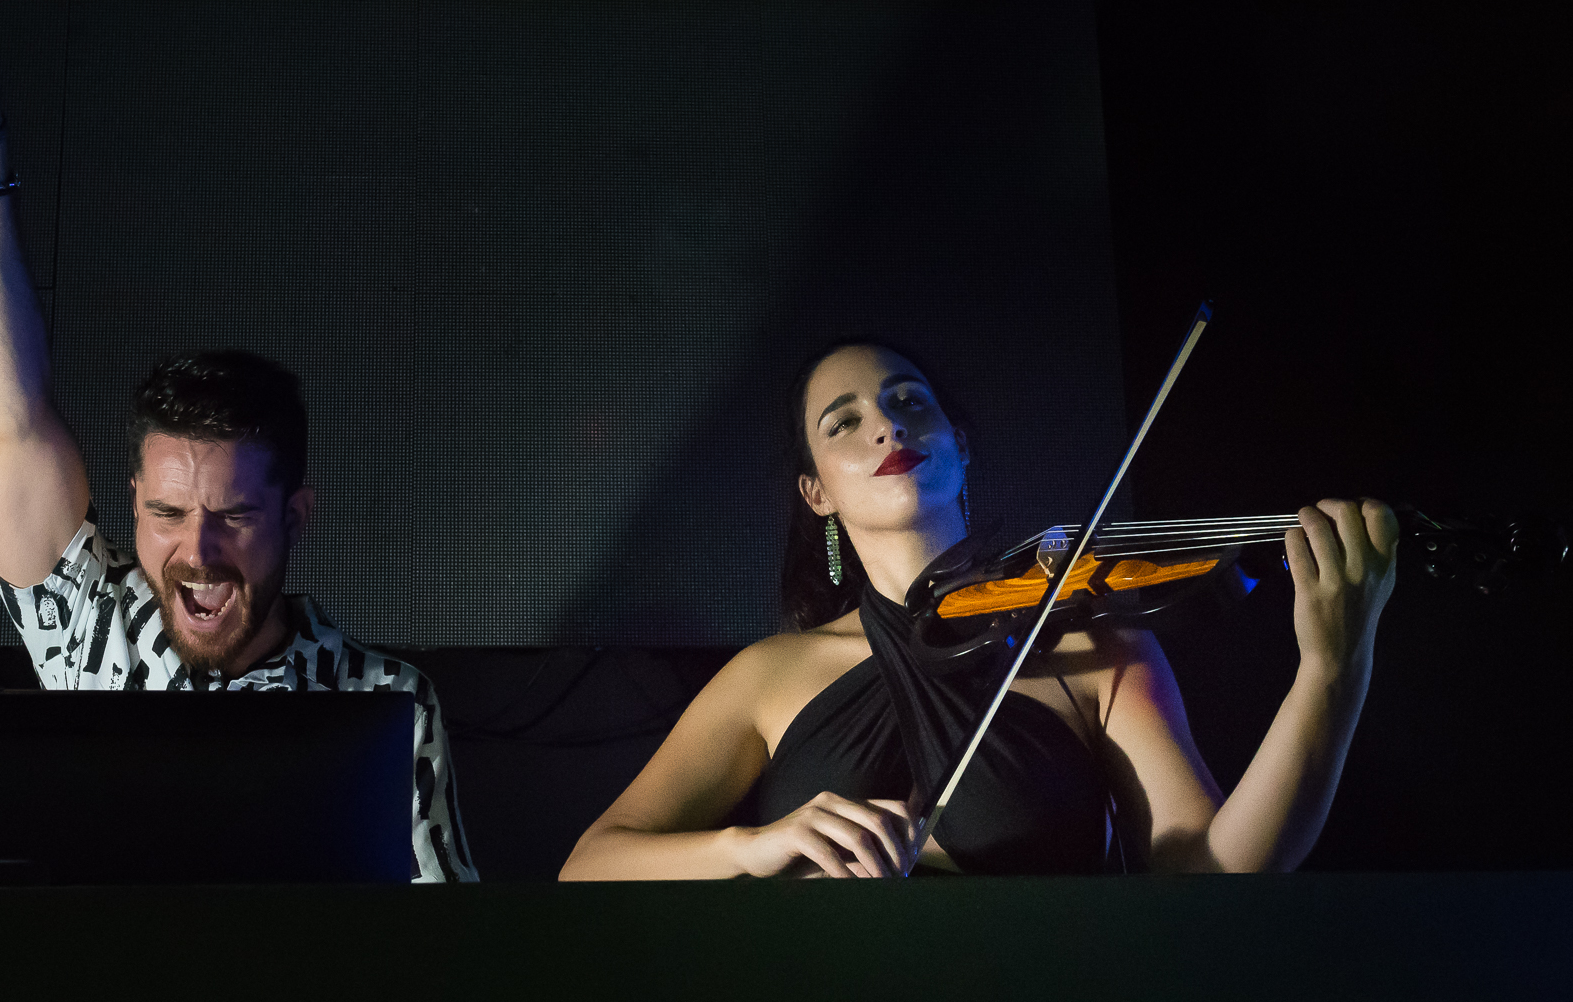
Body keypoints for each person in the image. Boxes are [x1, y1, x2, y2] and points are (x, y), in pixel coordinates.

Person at [0, 0, 476, 882]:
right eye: (170, 510)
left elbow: (450, 945)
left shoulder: (383, 703)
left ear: (298, 512)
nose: (198, 551)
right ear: (131, 500)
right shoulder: (89, 630)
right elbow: (7, 420)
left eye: (235, 516)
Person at [560, 340, 1397, 878]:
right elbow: (592, 864)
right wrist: (752, 848)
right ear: (815, 492)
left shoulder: (1094, 648)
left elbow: (1210, 873)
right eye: (844, 421)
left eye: (907, 400)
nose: (885, 424)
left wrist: (1331, 669)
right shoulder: (768, 675)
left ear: (959, 445)